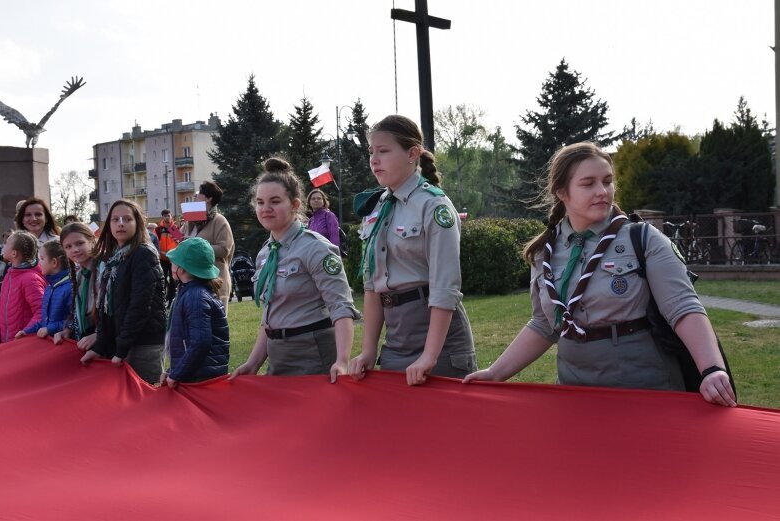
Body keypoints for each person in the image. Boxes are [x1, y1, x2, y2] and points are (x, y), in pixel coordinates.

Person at [463, 142, 737, 407]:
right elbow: (545, 324)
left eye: (607, 181)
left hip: (643, 386)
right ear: (561, 191)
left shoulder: (642, 239)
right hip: (575, 390)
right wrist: (495, 373)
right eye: (588, 183)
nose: (602, 191)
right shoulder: (544, 252)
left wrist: (711, 369)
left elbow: (683, 308)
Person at [348, 115, 476, 386]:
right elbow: (373, 287)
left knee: (444, 426)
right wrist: (369, 351)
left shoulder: (434, 206)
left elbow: (445, 288)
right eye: (371, 152)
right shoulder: (376, 208)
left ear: (412, 153)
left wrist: (430, 356)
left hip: (438, 340)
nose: (374, 159)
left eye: (383, 151)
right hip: (396, 342)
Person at [230, 158, 359, 382]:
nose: (265, 208)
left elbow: (341, 308)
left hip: (313, 354)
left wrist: (342, 360)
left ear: (295, 205)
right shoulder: (265, 253)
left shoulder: (316, 247)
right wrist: (253, 363)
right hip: (278, 356)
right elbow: (270, 316)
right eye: (260, 202)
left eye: (275, 201)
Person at [80, 200, 166, 384]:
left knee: (144, 403)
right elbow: (105, 305)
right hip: (123, 341)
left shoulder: (143, 254)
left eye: (127, 219)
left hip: (143, 342)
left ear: (138, 223)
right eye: (115, 219)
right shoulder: (112, 258)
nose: (120, 223)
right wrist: (101, 345)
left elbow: (140, 305)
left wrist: (121, 349)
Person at [159, 237, 229, 387]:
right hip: (194, 373)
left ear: (182, 268)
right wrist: (173, 370)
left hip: (200, 379)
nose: (171, 264)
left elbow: (200, 343)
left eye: (174, 261)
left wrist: (177, 374)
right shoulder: (190, 292)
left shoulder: (195, 297)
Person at [180, 181, 235, 313]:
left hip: (215, 281)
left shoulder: (220, 221)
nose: (194, 196)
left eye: (199, 194)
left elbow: (224, 250)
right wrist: (177, 237)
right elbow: (182, 240)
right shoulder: (191, 220)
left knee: (216, 326)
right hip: (192, 280)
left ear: (208, 198)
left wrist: (197, 246)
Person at [53, 222, 100, 350]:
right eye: (68, 246)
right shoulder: (78, 275)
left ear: (92, 241)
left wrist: (99, 335)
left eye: (80, 243)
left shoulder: (105, 271)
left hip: (106, 343)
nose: (75, 249)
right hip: (86, 340)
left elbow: (116, 313)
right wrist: (68, 329)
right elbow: (78, 312)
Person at [16, 239, 72, 339]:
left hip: (64, 344)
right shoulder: (49, 287)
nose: (39, 263)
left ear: (54, 262)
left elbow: (74, 322)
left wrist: (50, 329)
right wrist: (27, 331)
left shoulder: (69, 288)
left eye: (42, 258)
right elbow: (44, 321)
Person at [0, 231, 46, 343]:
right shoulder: (10, 275)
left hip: (22, 343)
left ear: (14, 253)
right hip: (7, 342)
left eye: (6, 244)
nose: (3, 246)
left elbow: (41, 311)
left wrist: (25, 332)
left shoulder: (30, 279)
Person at [155, 209, 181, 305]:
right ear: (162, 217)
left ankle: (171, 300)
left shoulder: (174, 228)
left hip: (173, 259)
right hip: (162, 259)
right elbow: (154, 243)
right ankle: (162, 299)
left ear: (171, 216)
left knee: (173, 280)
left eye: (169, 215)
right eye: (165, 216)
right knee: (162, 280)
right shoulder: (158, 229)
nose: (167, 217)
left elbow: (180, 242)